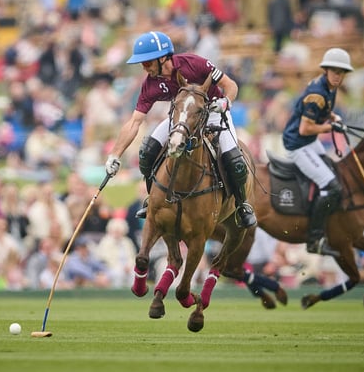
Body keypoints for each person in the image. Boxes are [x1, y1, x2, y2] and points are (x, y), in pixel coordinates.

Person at [104, 31, 257, 229]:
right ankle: (152, 199)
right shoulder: (150, 84)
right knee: (147, 150)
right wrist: (114, 155)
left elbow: (231, 85)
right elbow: (134, 122)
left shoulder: (194, 63)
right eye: (142, 64)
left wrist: (225, 102)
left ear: (162, 58)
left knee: (233, 159)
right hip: (181, 117)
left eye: (147, 63)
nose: (144, 68)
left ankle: (241, 204)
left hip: (213, 110)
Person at [282, 47, 354, 257]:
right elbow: (305, 128)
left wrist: (332, 117)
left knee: (334, 172)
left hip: (309, 141)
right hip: (298, 143)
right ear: (327, 70)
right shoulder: (318, 94)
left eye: (342, 73)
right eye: (335, 72)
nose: (338, 76)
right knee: (332, 187)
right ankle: (314, 239)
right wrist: (331, 127)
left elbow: (321, 112)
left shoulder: (329, 87)